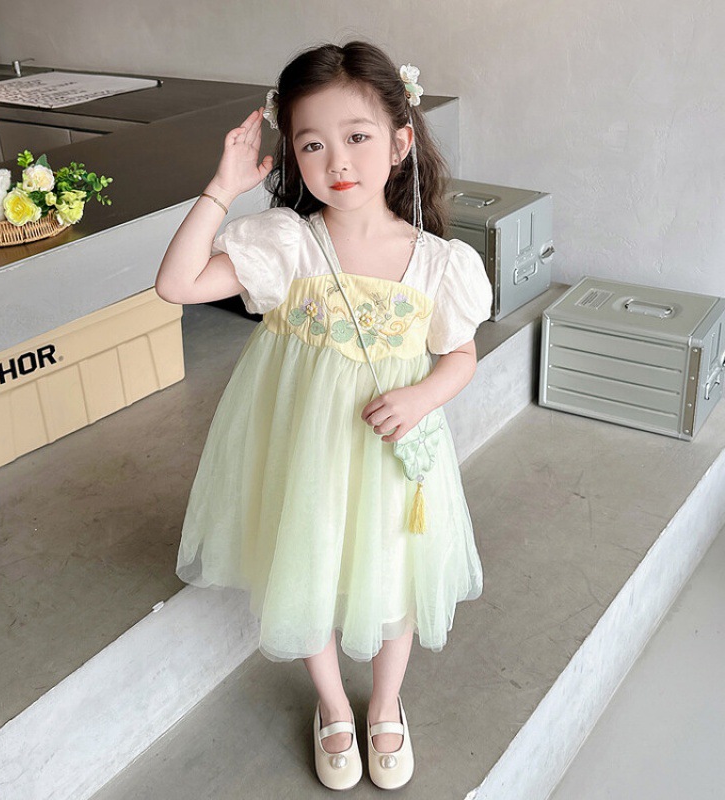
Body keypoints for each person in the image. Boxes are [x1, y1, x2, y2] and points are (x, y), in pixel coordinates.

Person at [155, 40, 493, 792]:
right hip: (308, 452)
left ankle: (386, 703)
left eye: (357, 136)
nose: (337, 161)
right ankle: (334, 704)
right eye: (311, 144)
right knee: (307, 566)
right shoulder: (288, 245)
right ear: (291, 155)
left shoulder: (440, 263)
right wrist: (222, 188)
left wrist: (423, 397)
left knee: (395, 574)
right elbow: (176, 285)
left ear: (400, 143)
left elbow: (461, 356)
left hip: (392, 458)